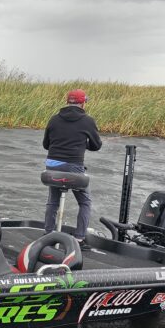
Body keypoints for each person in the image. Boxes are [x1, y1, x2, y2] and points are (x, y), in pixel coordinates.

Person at [42, 88, 102, 250]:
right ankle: (80, 239)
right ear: (83, 103)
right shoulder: (88, 121)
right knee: (85, 202)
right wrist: (84, 144)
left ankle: (48, 234)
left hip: (52, 166)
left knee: (53, 201)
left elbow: (46, 145)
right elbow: (96, 146)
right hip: (73, 167)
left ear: (67, 102)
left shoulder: (54, 119)